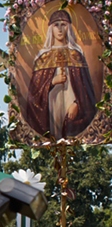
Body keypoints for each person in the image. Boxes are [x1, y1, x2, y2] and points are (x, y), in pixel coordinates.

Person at [25, 9, 96, 139]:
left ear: (68, 28)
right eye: (56, 25)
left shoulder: (76, 54)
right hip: (51, 106)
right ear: (50, 29)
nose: (59, 29)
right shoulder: (43, 56)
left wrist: (77, 103)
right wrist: (53, 81)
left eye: (63, 24)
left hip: (72, 107)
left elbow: (85, 89)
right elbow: (34, 95)